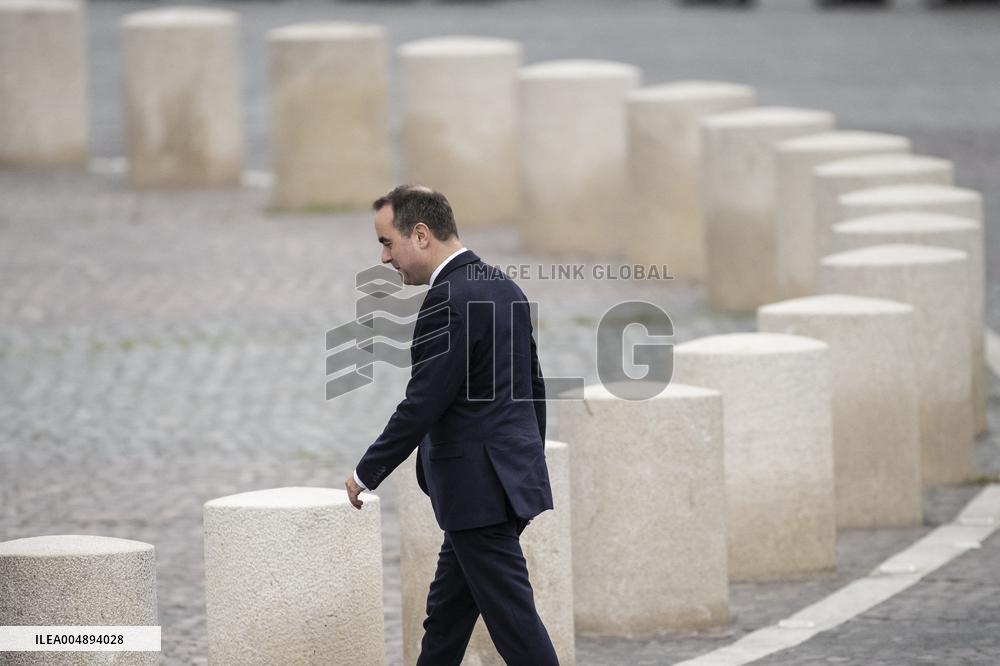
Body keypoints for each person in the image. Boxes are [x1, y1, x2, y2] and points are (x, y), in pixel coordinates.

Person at [344, 185, 559, 666]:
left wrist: (366, 471)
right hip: (497, 486)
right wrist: (522, 467)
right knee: (446, 620)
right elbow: (534, 390)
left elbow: (423, 402)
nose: (383, 257)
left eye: (386, 242)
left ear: (420, 235)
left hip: (476, 494)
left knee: (516, 627)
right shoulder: (502, 285)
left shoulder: (449, 299)